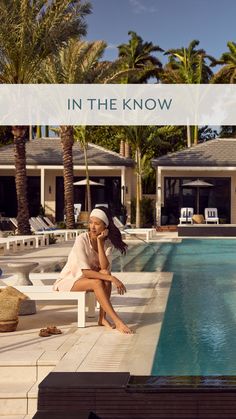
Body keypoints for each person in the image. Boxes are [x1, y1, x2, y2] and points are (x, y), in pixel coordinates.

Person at [53, 206, 133, 334]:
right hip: (70, 280)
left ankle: (102, 318)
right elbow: (85, 272)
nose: (93, 227)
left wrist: (100, 243)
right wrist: (112, 278)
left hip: (87, 279)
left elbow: (104, 268)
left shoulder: (107, 244)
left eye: (97, 223)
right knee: (101, 280)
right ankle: (117, 321)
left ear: (105, 227)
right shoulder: (82, 239)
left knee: (105, 274)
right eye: (90, 222)